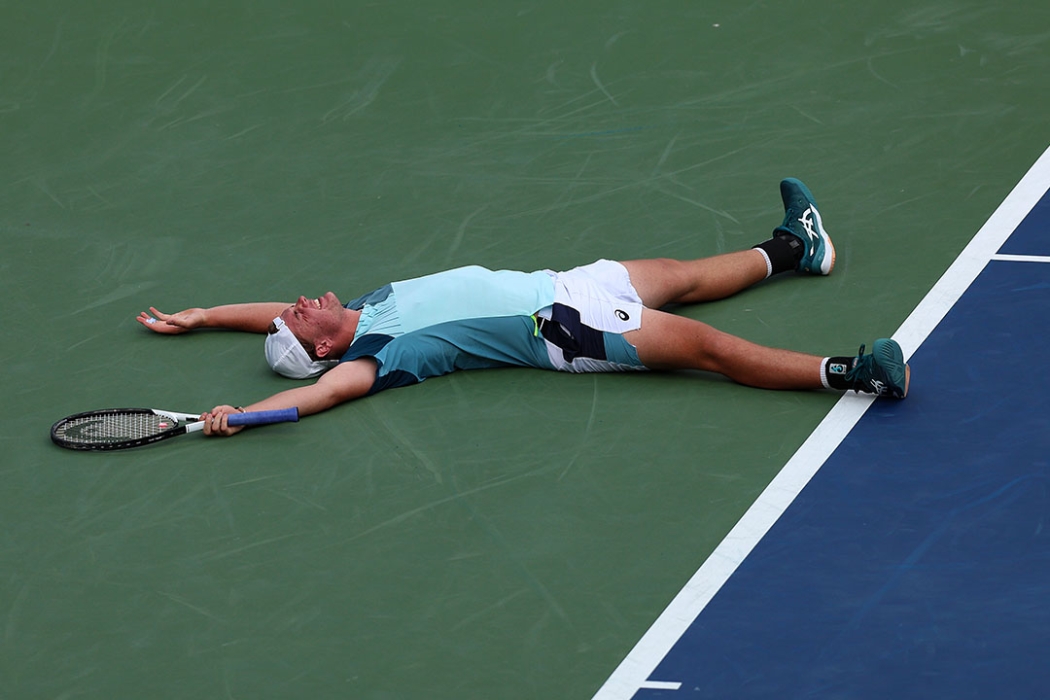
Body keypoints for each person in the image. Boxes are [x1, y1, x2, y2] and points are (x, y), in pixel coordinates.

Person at [137, 178, 909, 437]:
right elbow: (315, 395)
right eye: (298, 318)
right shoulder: (375, 358)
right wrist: (247, 414)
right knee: (707, 348)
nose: (301, 301)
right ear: (323, 348)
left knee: (677, 273)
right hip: (566, 329)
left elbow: (270, 313)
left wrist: (203, 315)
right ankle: (851, 373)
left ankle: (792, 250)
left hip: (565, 284)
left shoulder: (363, 308)